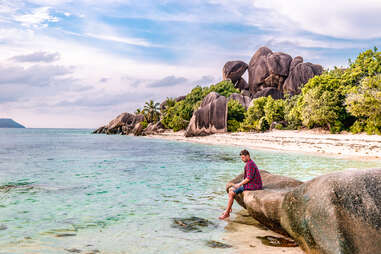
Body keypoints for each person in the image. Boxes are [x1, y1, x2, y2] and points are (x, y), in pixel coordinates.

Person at [218, 149, 263, 220]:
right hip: (252, 183)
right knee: (231, 189)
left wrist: (239, 184)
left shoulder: (250, 164)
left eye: (243, 157)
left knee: (232, 193)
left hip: (253, 185)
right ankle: (229, 209)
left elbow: (249, 178)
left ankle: (227, 213)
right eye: (241, 158)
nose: (242, 159)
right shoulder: (249, 163)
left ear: (248, 156)